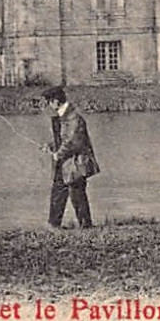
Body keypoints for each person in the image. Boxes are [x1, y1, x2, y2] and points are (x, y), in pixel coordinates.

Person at [42, 85, 98, 229]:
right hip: (66, 162)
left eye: (48, 101)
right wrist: (51, 146)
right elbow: (63, 139)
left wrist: (57, 154)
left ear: (55, 101)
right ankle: (54, 225)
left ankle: (86, 226)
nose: (48, 105)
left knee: (77, 194)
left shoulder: (73, 117)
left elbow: (72, 142)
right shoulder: (65, 115)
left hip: (76, 163)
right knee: (58, 192)